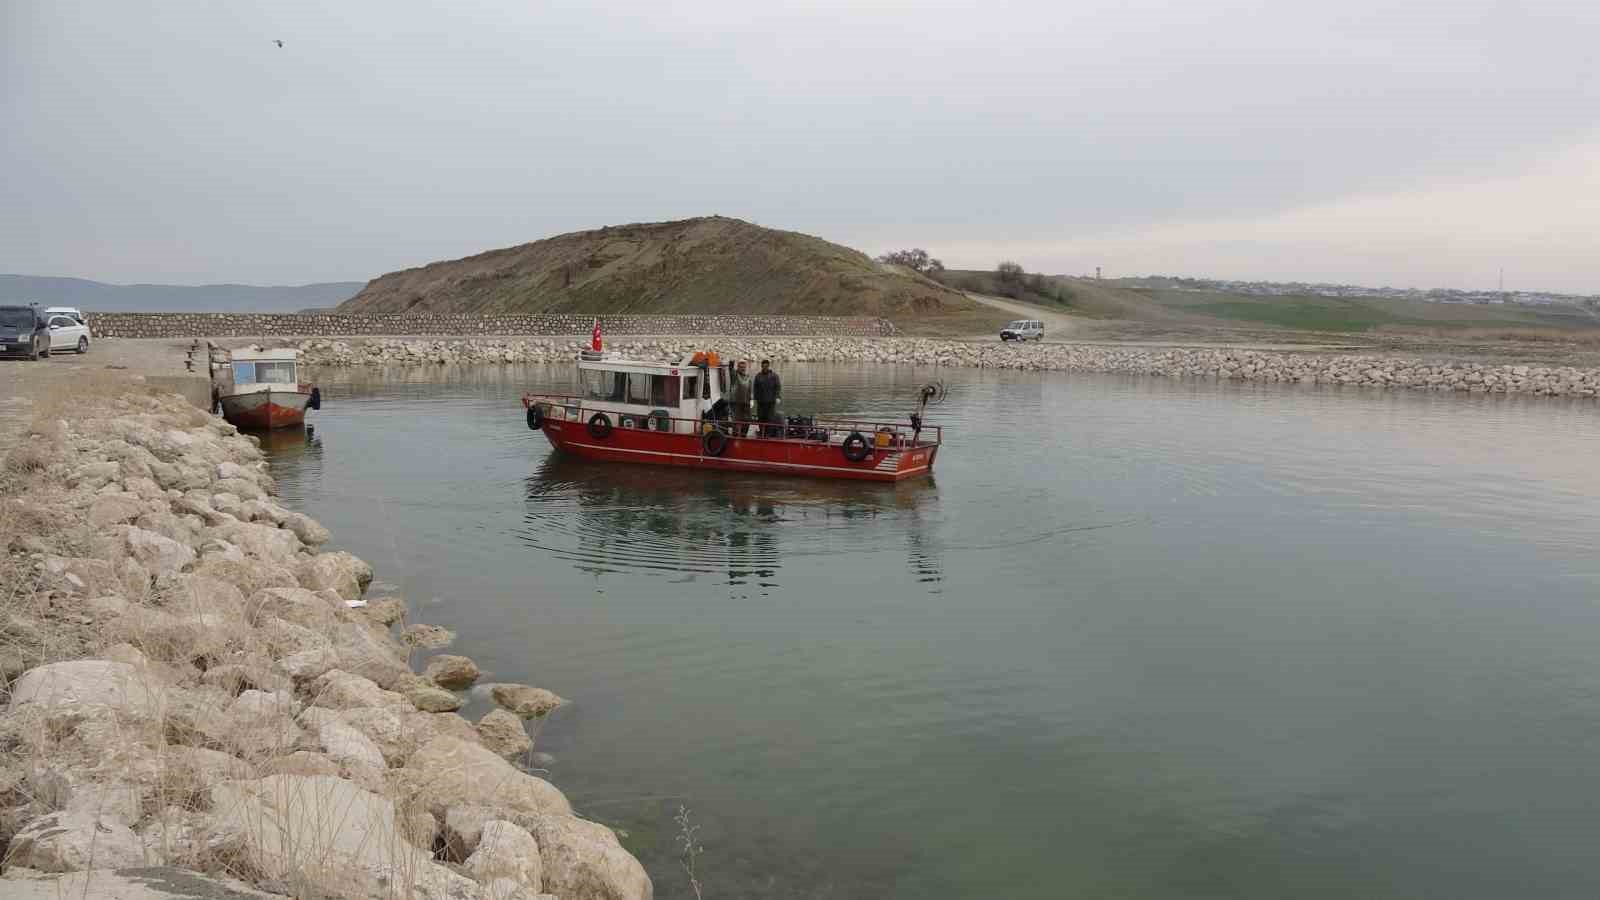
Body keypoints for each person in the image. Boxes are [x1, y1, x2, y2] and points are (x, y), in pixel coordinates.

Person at [753, 359, 782, 436]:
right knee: (760, 417)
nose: (765, 367)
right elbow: (755, 387)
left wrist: (778, 397)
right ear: (761, 366)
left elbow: (778, 387)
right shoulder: (758, 376)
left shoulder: (774, 376)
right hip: (761, 402)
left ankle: (768, 434)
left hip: (771, 402)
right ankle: (761, 432)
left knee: (770, 418)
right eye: (763, 366)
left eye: (766, 366)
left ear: (768, 366)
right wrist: (754, 398)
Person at [728, 359, 754, 434]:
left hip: (746, 402)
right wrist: (731, 363)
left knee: (748, 420)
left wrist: (751, 399)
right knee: (736, 421)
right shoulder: (734, 375)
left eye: (744, 367)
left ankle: (743, 435)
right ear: (738, 367)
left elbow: (750, 389)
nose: (743, 368)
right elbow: (730, 369)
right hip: (736, 402)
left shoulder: (748, 377)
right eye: (741, 367)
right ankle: (735, 435)